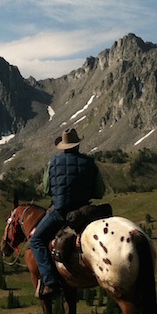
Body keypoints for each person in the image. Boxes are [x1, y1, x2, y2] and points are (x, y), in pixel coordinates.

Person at [28, 128, 105, 298]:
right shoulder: (90, 163)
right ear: (78, 144)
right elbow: (100, 192)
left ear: (63, 146)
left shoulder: (54, 162)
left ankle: (49, 282)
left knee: (37, 240)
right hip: (84, 212)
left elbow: (47, 189)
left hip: (61, 213)